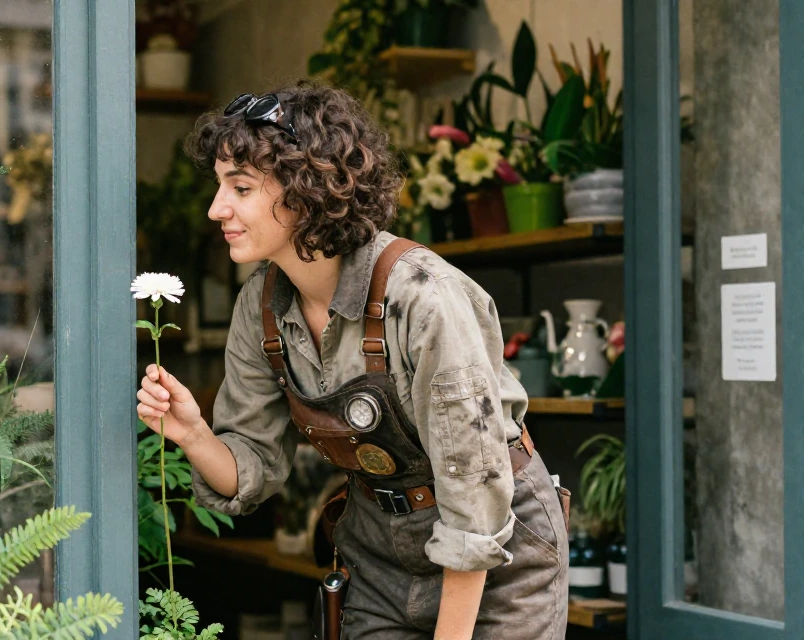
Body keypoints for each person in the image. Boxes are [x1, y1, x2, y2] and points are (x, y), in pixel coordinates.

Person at [135, 80, 570, 640]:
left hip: (498, 553)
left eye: (239, 187)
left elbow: (474, 493)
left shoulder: (421, 297)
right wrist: (194, 433)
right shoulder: (261, 305)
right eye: (220, 186)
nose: (217, 208)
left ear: (305, 190)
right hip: (376, 552)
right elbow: (252, 470)